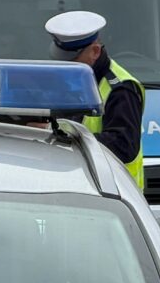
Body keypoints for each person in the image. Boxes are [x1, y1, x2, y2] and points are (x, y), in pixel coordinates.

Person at [44, 11, 145, 190]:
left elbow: (122, 146)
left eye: (73, 59)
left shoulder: (121, 88)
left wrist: (61, 137)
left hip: (114, 194)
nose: (66, 65)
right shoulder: (72, 78)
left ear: (95, 51)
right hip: (79, 187)